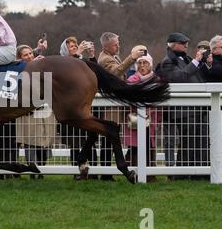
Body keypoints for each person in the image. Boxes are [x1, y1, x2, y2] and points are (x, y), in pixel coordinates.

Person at [155, 33, 209, 180]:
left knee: (200, 142)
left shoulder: (187, 59)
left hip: (198, 107)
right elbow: (179, 78)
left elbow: (199, 77)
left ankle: (200, 175)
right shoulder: (167, 62)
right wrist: (196, 62)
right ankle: (181, 175)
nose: (186, 45)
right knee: (188, 142)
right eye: (182, 42)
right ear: (172, 44)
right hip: (182, 110)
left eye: (187, 42)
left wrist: (205, 62)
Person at [97, 32, 145, 181]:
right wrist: (132, 58)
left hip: (115, 103)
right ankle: (105, 174)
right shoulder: (105, 59)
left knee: (112, 137)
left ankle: (107, 172)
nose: (118, 46)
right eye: (115, 44)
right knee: (108, 138)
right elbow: (116, 73)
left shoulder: (111, 56)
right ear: (106, 46)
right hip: (110, 105)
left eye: (118, 43)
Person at [59, 36, 99, 176]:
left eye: (76, 45)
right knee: (75, 143)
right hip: (70, 110)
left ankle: (93, 171)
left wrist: (92, 56)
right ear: (65, 50)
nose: (75, 47)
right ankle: (78, 172)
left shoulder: (81, 61)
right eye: (71, 46)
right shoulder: (62, 63)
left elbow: (96, 72)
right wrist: (77, 55)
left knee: (90, 138)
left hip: (85, 107)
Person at [15, 44, 56, 179]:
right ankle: (33, 170)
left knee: (44, 141)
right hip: (28, 111)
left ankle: (42, 169)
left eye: (30, 53)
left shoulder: (41, 66)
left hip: (44, 109)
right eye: (25, 55)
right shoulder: (19, 70)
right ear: (20, 58)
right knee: (30, 142)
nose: (29, 56)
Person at [123, 52, 160, 183]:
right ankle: (134, 173)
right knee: (135, 146)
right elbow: (129, 95)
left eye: (145, 63)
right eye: (140, 63)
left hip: (151, 118)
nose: (142, 65)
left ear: (150, 65)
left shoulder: (156, 79)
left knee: (149, 146)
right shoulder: (132, 79)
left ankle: (150, 174)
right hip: (135, 118)